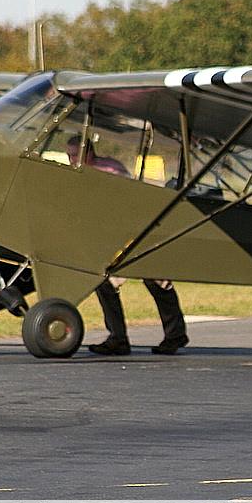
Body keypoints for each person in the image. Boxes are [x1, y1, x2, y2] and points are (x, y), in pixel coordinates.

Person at [65, 134, 190, 355]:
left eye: (74, 155)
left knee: (157, 281)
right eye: (69, 155)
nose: (71, 159)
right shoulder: (77, 175)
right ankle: (118, 337)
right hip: (110, 240)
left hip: (134, 234)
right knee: (104, 283)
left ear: (89, 153)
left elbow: (123, 204)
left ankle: (175, 334)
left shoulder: (109, 170)